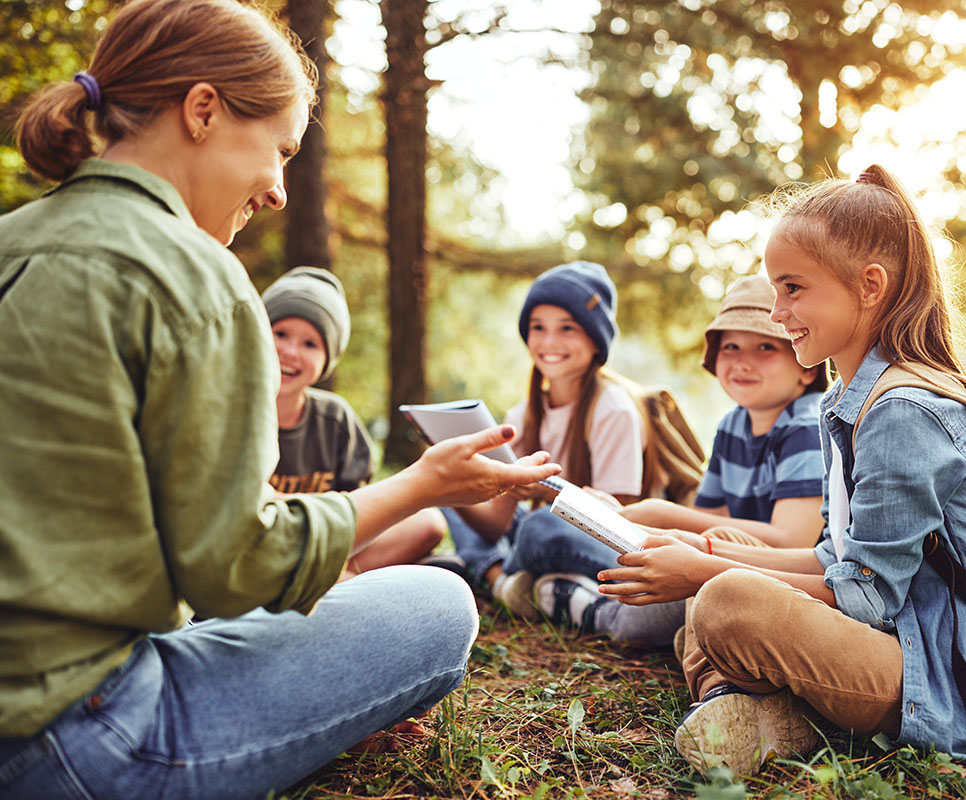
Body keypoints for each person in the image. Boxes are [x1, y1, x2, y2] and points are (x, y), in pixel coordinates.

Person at [0, 3, 560, 799]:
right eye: (281, 150)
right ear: (202, 110)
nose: (280, 191)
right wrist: (426, 485)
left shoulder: (10, 241)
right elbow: (237, 565)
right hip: (84, 740)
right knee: (437, 604)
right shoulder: (191, 274)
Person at [595, 165, 966, 774]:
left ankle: (757, 706)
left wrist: (704, 571)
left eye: (792, 288)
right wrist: (699, 550)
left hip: (936, 680)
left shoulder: (904, 412)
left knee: (721, 600)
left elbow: (867, 594)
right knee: (716, 573)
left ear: (870, 286)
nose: (776, 312)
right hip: (876, 647)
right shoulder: (848, 403)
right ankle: (762, 713)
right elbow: (831, 557)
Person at [530, 274, 828, 644]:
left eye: (765, 348)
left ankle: (588, 607)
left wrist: (662, 514)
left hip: (776, 579)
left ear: (807, 367)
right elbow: (716, 516)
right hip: (725, 558)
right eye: (731, 346)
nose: (742, 362)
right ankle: (569, 587)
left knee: (644, 617)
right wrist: (632, 516)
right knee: (547, 524)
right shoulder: (733, 424)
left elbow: (790, 541)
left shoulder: (806, 424)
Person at [444, 260, 647, 615]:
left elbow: (619, 521)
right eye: (538, 328)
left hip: (590, 542)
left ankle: (492, 573)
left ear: (594, 340)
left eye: (567, 328)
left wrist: (547, 490)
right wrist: (451, 481)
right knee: (450, 499)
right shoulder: (522, 415)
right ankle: (502, 579)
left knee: (540, 527)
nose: (550, 342)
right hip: (527, 538)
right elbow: (495, 524)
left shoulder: (613, 410)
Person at [263, 266, 447, 576]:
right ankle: (346, 581)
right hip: (263, 549)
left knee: (428, 523)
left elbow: (362, 510)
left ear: (327, 361)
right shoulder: (233, 410)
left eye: (310, 344)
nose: (290, 352)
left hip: (330, 545)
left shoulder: (335, 420)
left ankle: (338, 578)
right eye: (280, 334)